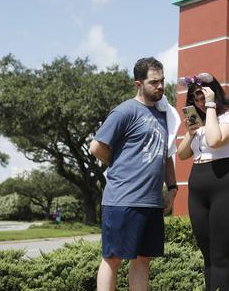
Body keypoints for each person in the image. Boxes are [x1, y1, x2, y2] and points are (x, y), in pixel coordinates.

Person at [89, 57, 180, 291]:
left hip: (151, 204)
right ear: (138, 84)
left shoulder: (164, 114)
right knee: (113, 259)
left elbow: (167, 154)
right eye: (154, 82)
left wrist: (172, 189)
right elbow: (96, 147)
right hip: (122, 201)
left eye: (162, 81)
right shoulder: (125, 111)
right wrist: (120, 164)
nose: (160, 86)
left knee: (142, 260)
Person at [176, 72, 229, 291]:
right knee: (207, 254)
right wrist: (190, 133)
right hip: (199, 184)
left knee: (220, 255)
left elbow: (215, 140)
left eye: (202, 95)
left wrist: (209, 106)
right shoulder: (201, 122)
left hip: (227, 181)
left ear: (214, 92)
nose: (198, 101)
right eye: (194, 98)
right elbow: (181, 154)